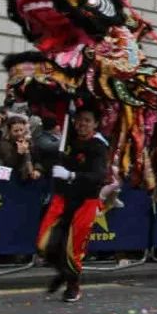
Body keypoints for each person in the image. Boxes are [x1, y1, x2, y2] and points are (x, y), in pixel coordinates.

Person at [37, 106, 110, 303]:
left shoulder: (99, 146)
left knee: (73, 248)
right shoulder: (67, 139)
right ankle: (63, 272)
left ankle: (72, 285)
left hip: (86, 201)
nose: (82, 124)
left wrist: (71, 175)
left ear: (95, 124)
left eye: (87, 120)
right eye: (79, 120)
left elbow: (99, 176)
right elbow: (45, 149)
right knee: (44, 242)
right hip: (63, 198)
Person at [0, 114, 41, 181]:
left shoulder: (30, 142)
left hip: (27, 180)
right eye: (16, 131)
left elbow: (37, 159)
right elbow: (6, 166)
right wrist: (19, 154)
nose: (19, 133)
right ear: (9, 131)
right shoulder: (3, 144)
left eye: (21, 130)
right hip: (9, 180)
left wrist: (37, 170)